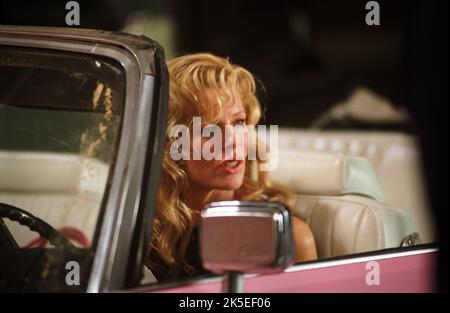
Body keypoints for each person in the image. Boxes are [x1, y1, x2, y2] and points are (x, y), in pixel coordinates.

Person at [145, 53, 317, 281]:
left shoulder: (287, 238)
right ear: (168, 142)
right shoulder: (136, 233)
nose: (232, 141)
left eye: (238, 122)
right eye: (207, 129)